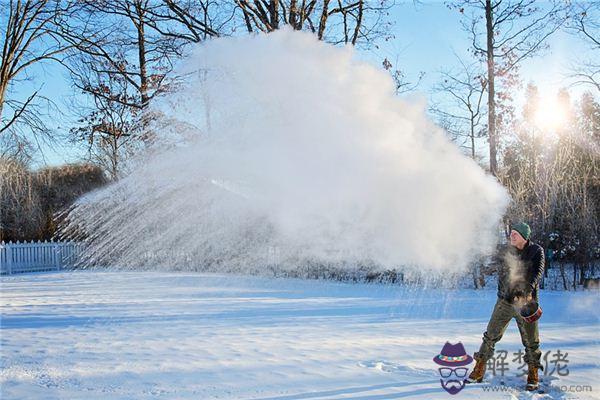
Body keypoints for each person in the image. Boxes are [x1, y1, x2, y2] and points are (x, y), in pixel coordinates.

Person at [467, 222, 545, 391]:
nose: (511, 236)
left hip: (525, 303)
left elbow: (537, 272)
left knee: (531, 341)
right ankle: (479, 368)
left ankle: (533, 373)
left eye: (515, 234)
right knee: (490, 335)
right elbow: (491, 261)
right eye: (511, 233)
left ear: (524, 236)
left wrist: (526, 290)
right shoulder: (504, 251)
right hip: (504, 301)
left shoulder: (536, 251)